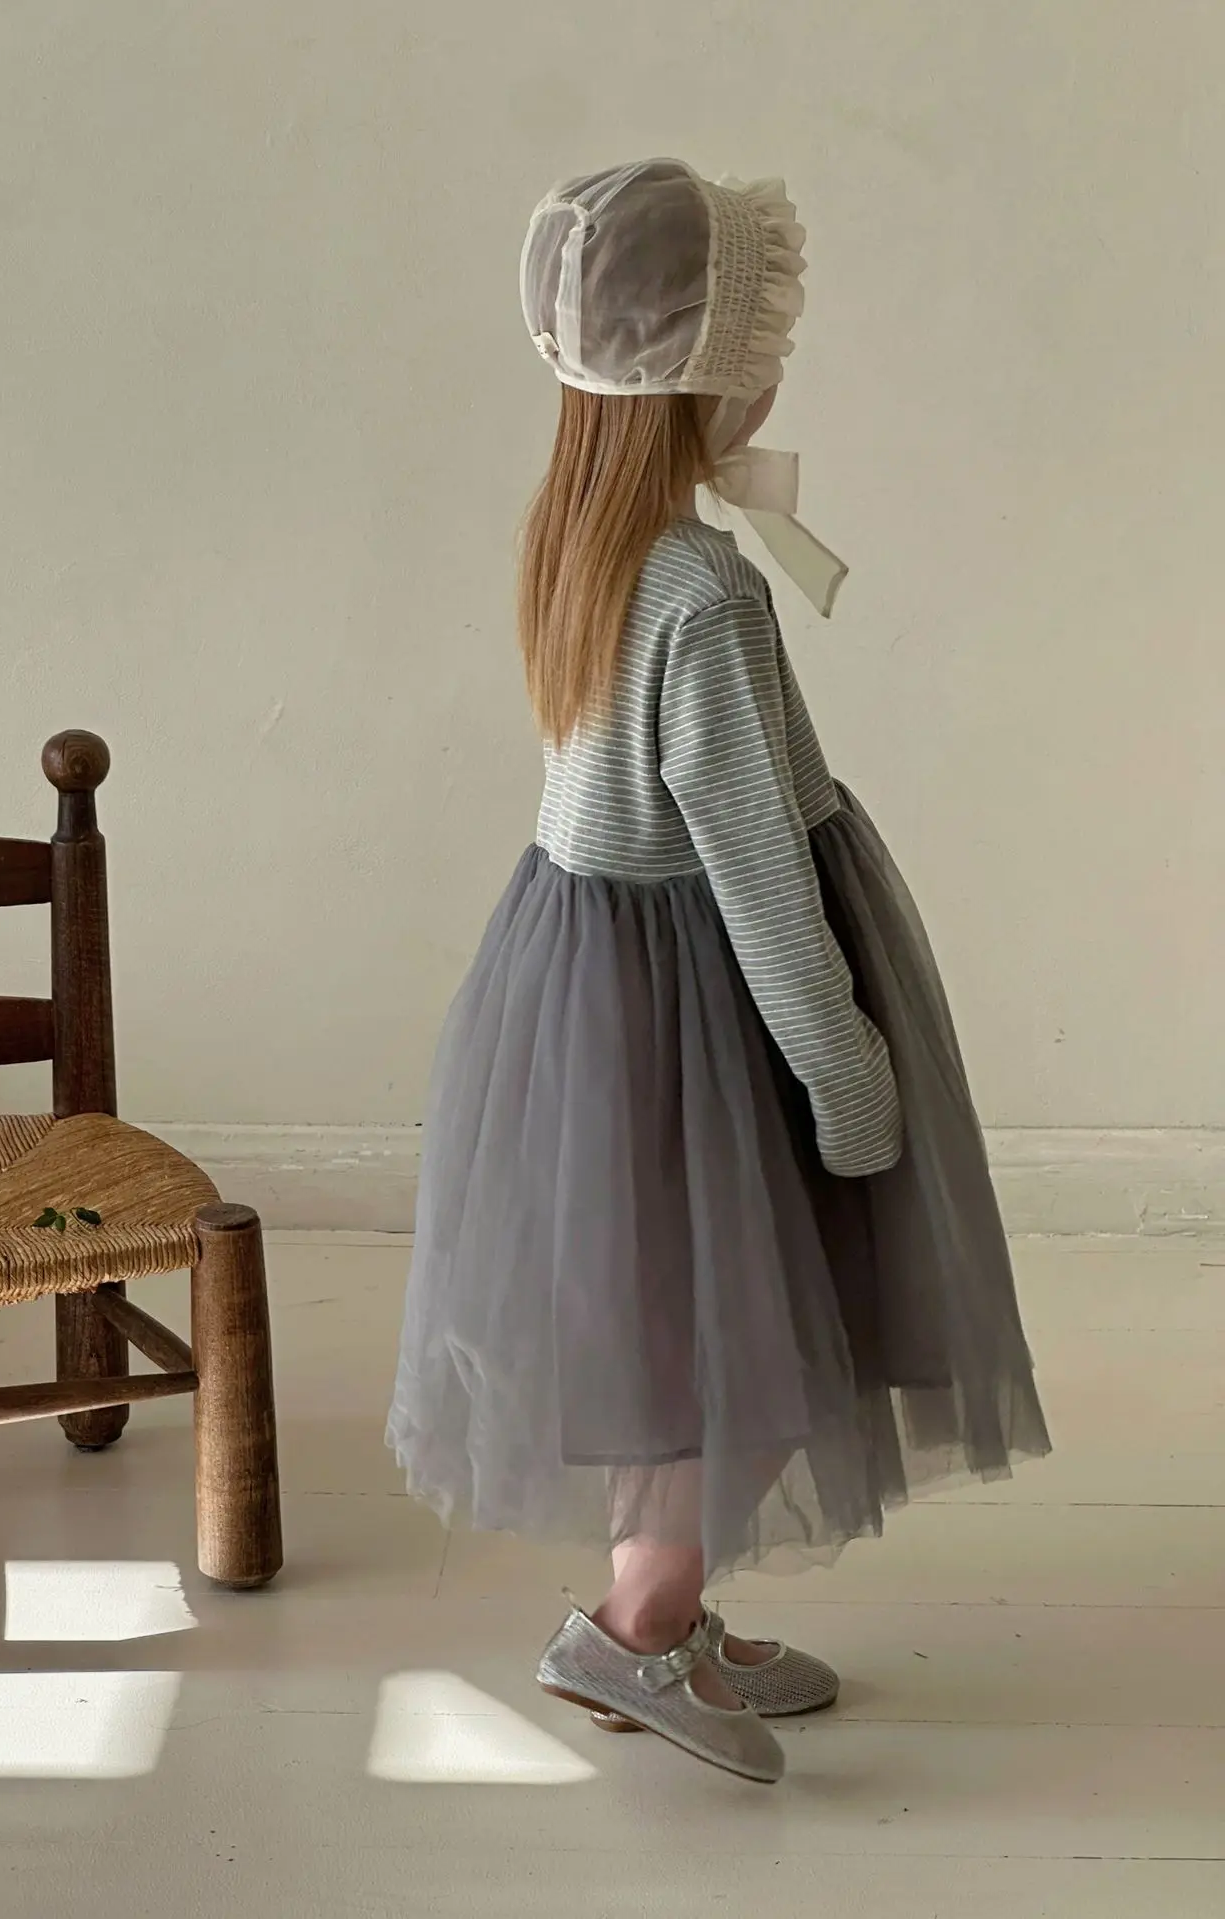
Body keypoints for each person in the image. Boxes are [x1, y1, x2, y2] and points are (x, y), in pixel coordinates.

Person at [388, 159, 1050, 1784]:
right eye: (762, 340)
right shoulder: (705, 593)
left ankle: (664, 1612)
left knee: (663, 1320)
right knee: (723, 1332)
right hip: (700, 1004)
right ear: (702, 370)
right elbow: (756, 866)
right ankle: (631, 1629)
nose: (778, 367)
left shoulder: (582, 547)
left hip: (585, 988)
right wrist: (845, 1068)